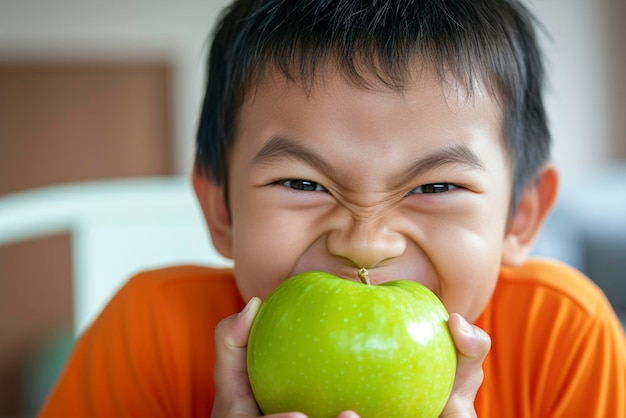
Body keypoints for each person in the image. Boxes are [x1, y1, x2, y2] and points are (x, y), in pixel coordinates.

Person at [39, 0, 626, 417]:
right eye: (302, 182)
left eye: (436, 188)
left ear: (520, 215)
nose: (366, 243)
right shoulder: (150, 331)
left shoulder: (563, 338)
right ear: (221, 207)